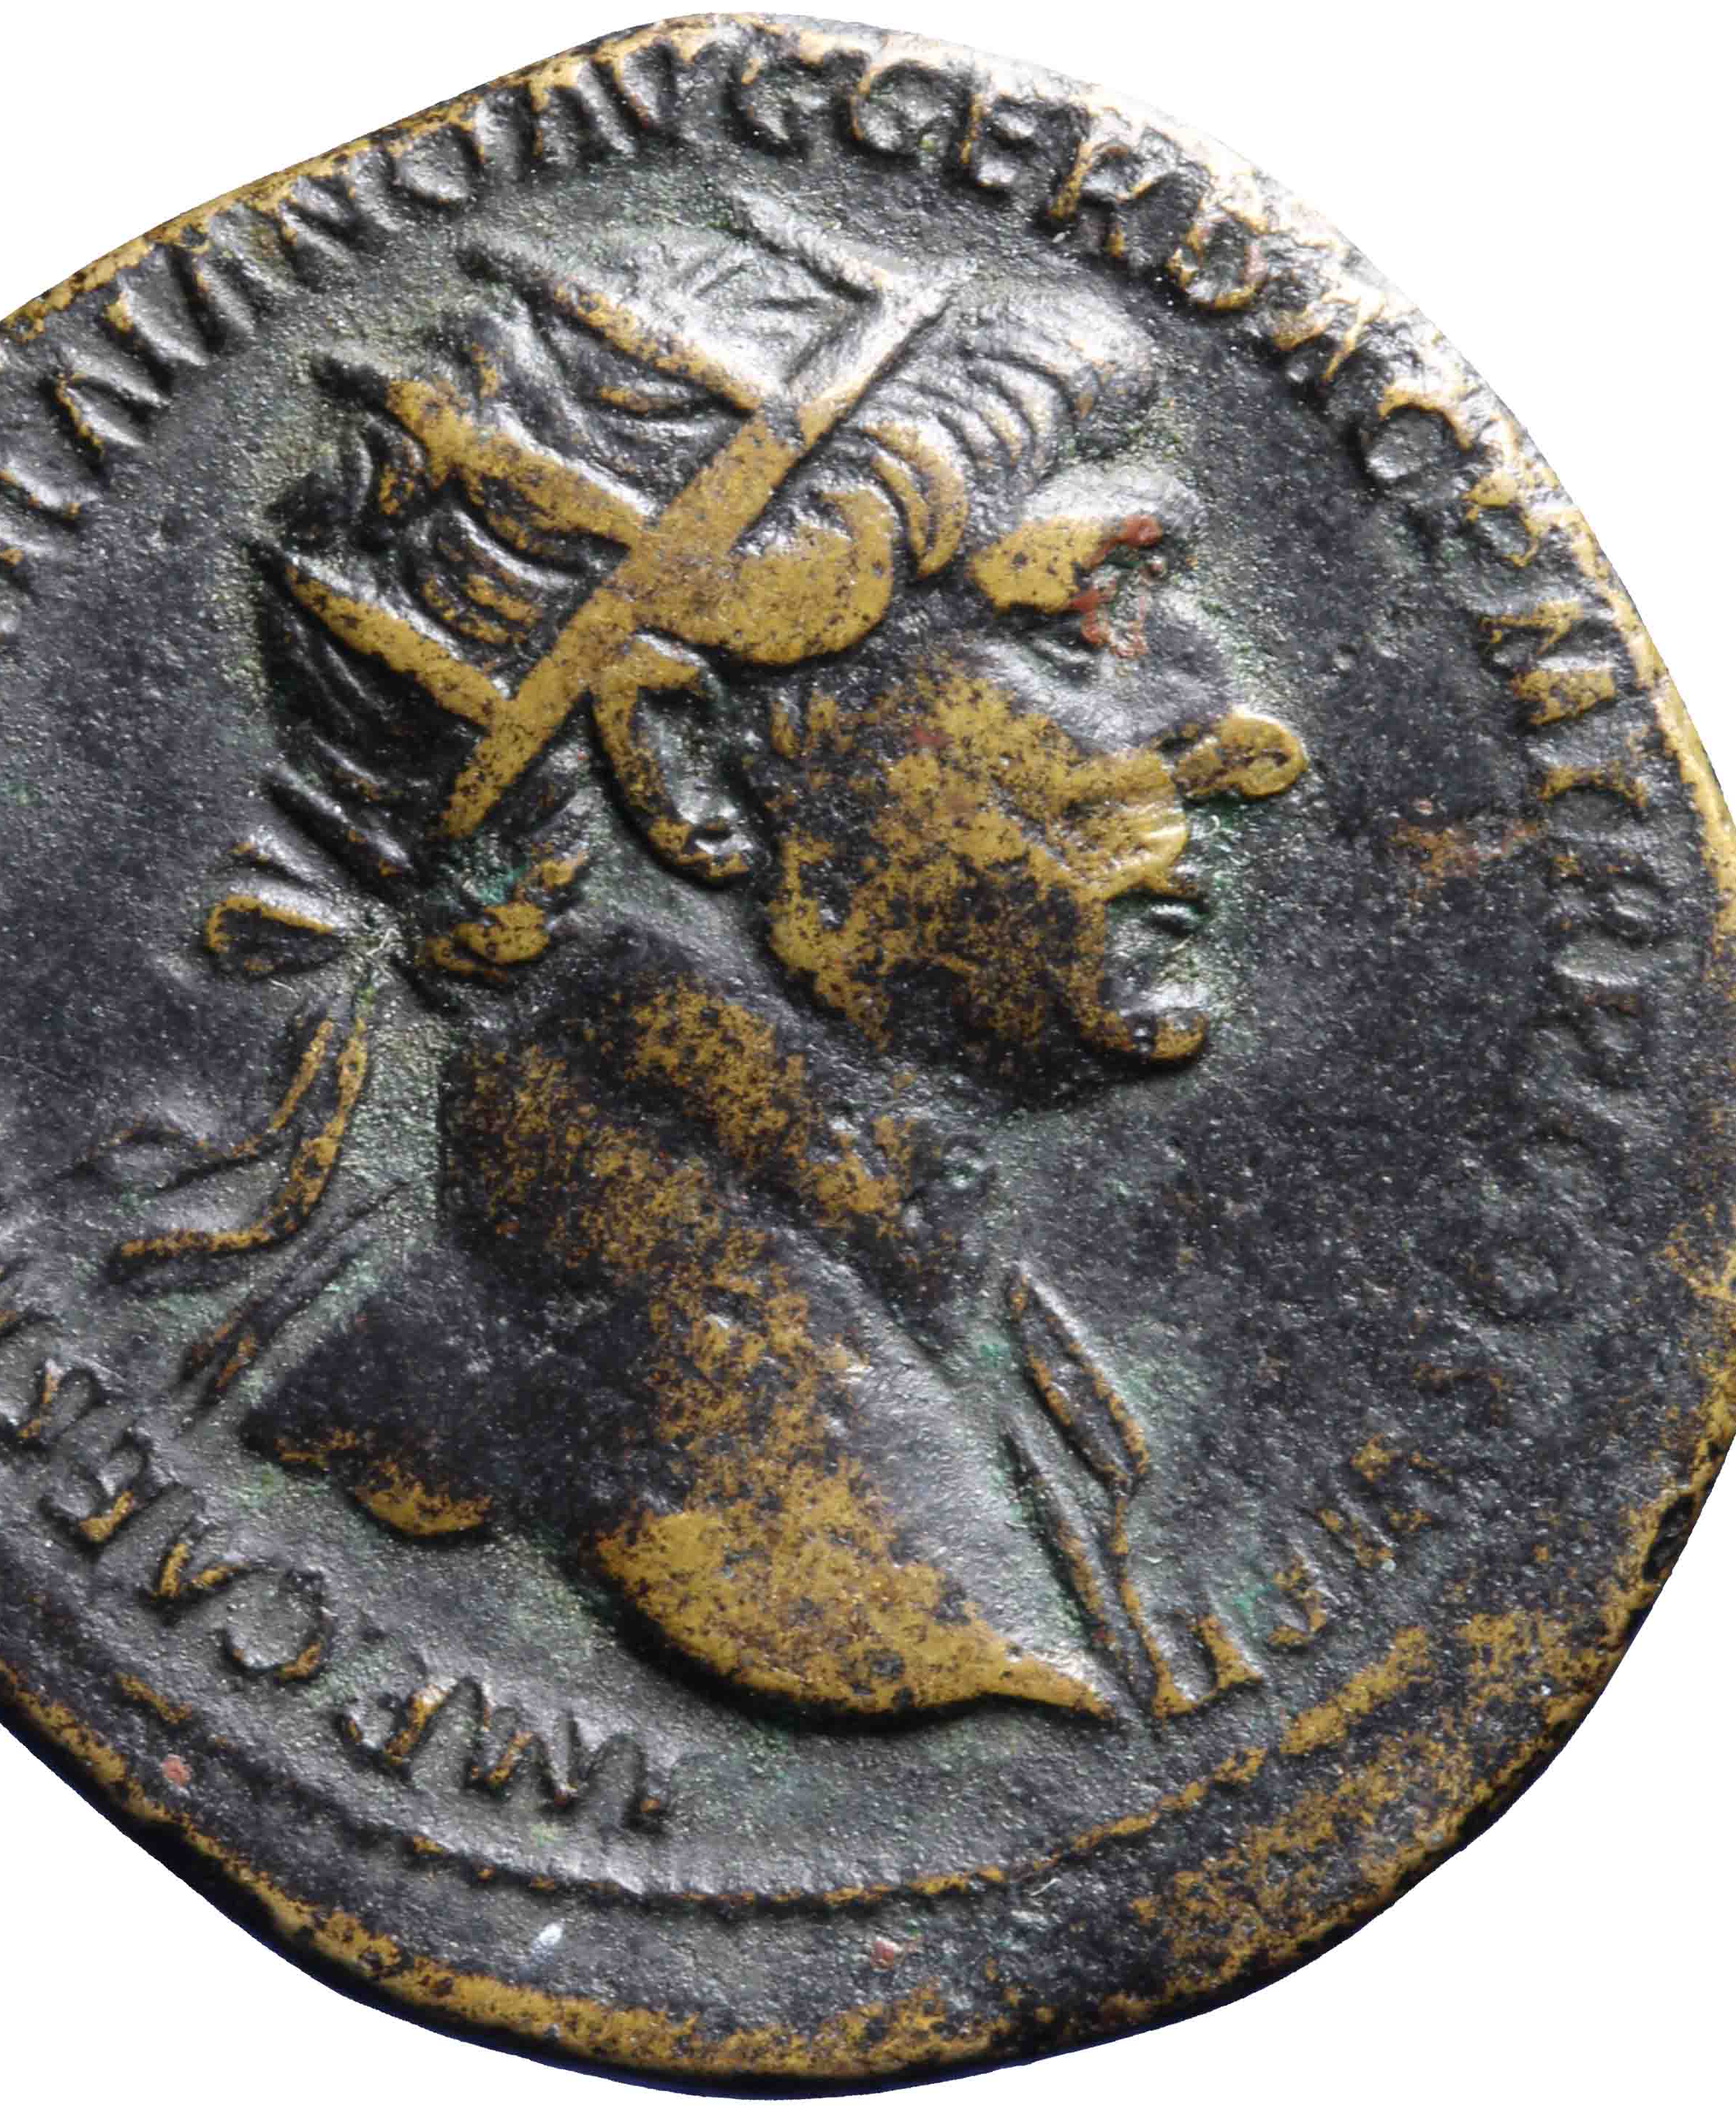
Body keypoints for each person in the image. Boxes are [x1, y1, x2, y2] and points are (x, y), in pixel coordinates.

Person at [227, 198, 1306, 1723]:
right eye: (1081, 628)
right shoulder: (721, 1438)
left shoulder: (925, 1296)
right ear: (686, 762)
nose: (1248, 747)